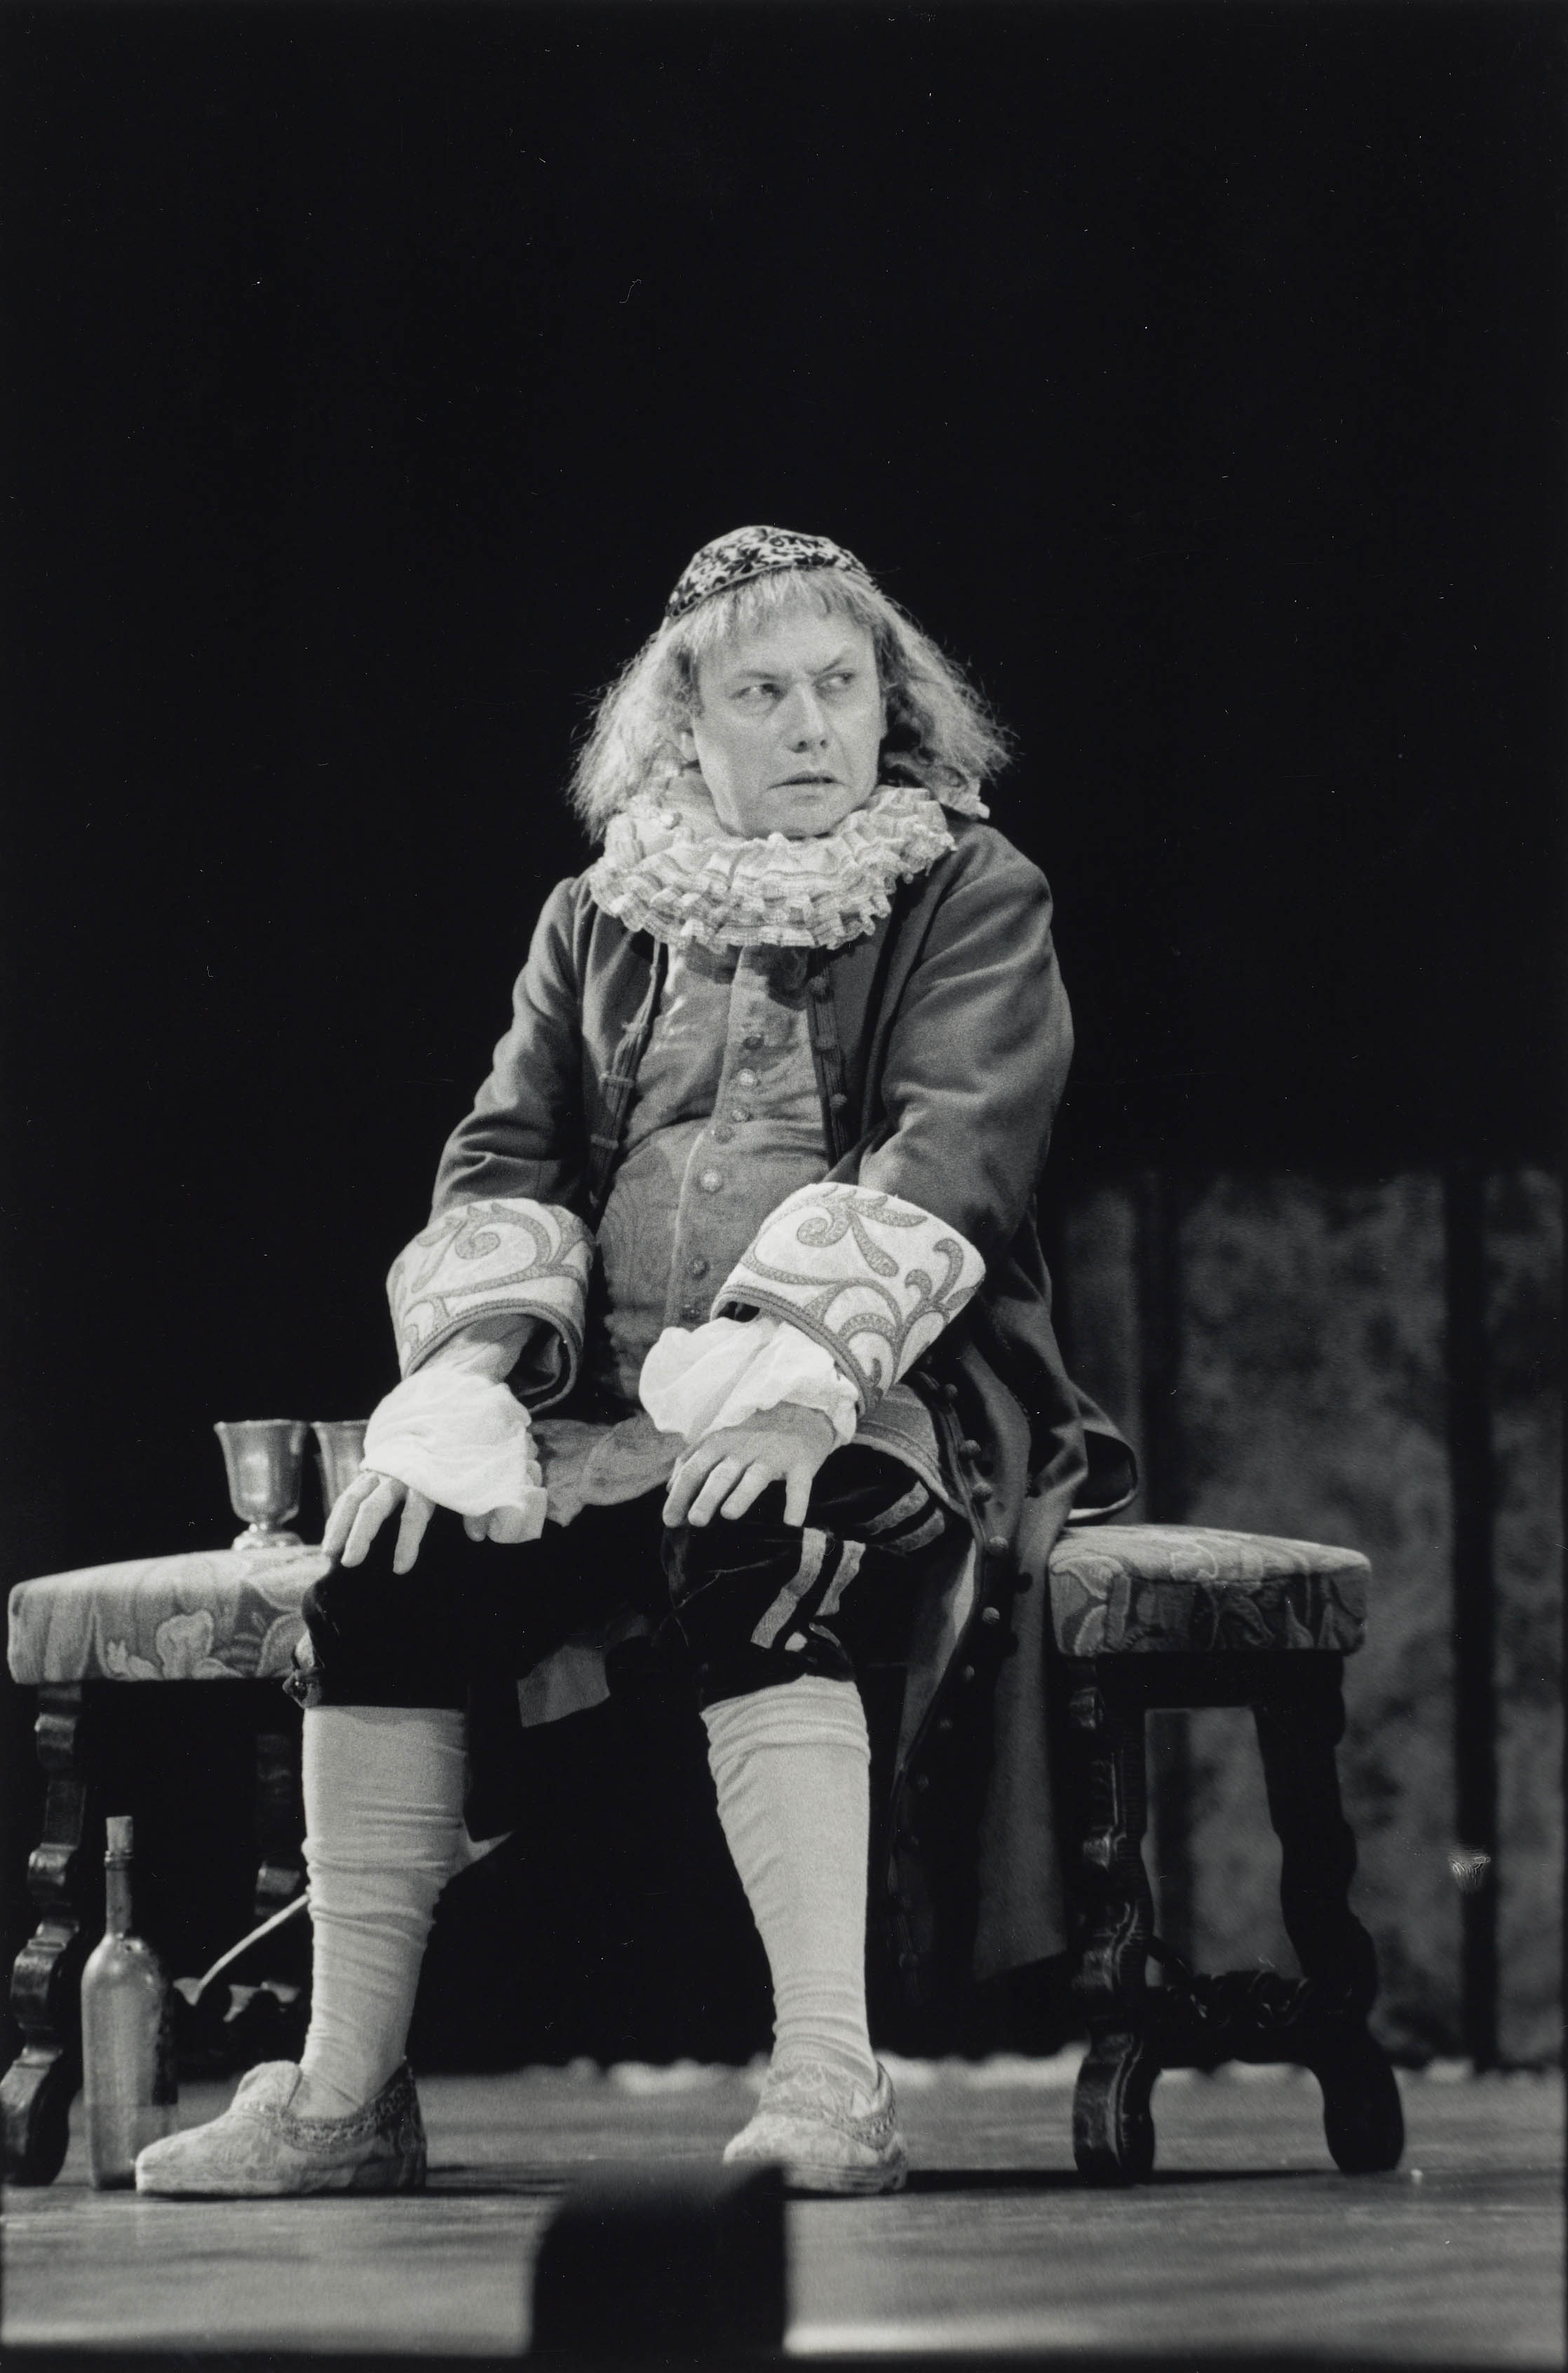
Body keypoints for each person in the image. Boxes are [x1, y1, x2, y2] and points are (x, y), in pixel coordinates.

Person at [135, 525, 1133, 2201]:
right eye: (763, 694)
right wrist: (468, 1381)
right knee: (382, 1577)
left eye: (839, 687)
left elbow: (955, 1145)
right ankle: (342, 2095)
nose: (810, 725)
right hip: (589, 1411)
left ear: (888, 705)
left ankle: (831, 2082)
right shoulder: (596, 915)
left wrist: (799, 1378)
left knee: (762, 1544)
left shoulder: (969, 888)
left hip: (886, 1387)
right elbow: (505, 1156)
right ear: (685, 725)